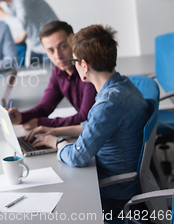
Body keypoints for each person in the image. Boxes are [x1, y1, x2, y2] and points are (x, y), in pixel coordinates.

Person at [26, 24, 151, 213]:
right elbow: (92, 126)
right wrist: (54, 130)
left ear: (84, 66)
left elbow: (77, 157)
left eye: (74, 60)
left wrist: (56, 143)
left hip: (114, 194)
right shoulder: (124, 86)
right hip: (122, 182)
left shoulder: (107, 103)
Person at [9, 21, 96, 129]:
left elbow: (85, 118)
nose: (58, 56)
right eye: (51, 50)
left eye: (63, 47)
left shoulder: (89, 70)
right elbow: (45, 107)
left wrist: (41, 122)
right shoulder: (58, 72)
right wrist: (21, 117)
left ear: (73, 43)